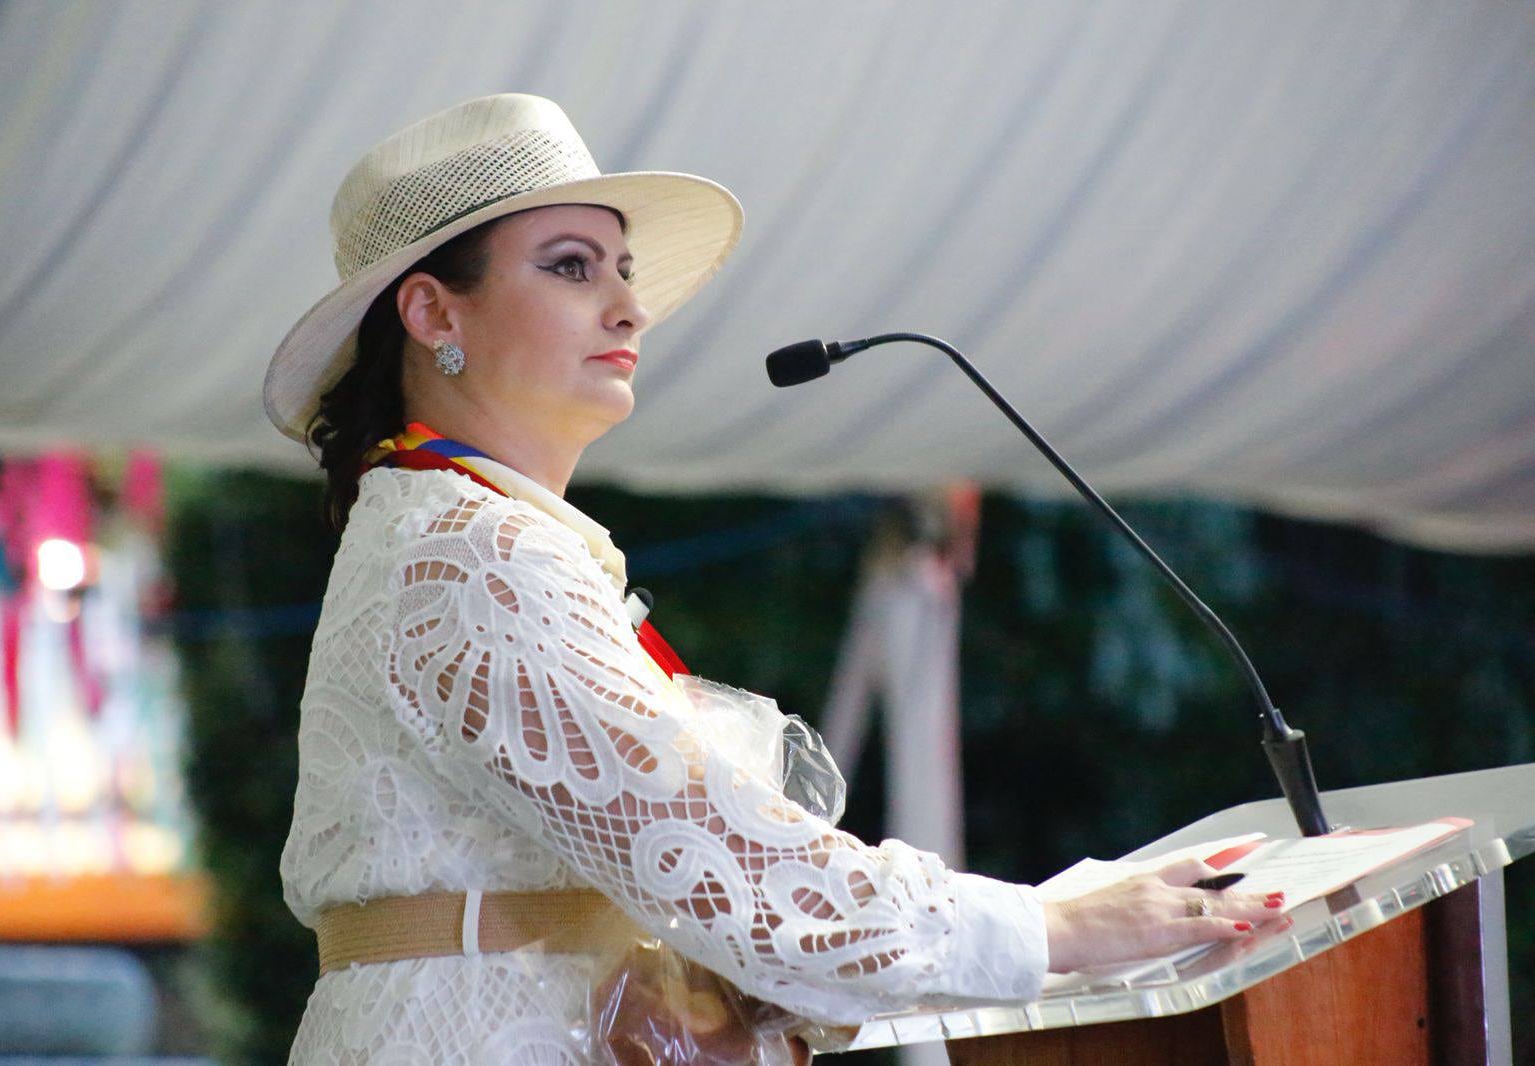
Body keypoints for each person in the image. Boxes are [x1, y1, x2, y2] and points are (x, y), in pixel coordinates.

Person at [265, 93, 1282, 1064]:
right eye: (573, 268)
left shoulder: (454, 525)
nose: (629, 306)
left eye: (622, 269)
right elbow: (717, 856)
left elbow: (704, 871)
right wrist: (1049, 927)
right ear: (434, 310)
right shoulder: (472, 548)